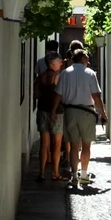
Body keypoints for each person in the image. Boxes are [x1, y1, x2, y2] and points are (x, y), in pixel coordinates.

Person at [52, 48, 108, 186]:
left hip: (70, 111)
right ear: (82, 58)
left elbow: (58, 95)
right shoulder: (90, 73)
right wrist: (103, 113)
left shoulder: (65, 73)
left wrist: (53, 111)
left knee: (74, 145)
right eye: (87, 57)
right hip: (87, 112)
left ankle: (74, 175)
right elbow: (96, 96)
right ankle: (83, 174)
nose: (88, 60)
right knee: (86, 145)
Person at [34, 52, 69, 182]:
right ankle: (55, 173)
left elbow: (36, 95)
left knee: (44, 143)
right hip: (57, 112)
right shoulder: (58, 77)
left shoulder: (40, 77)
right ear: (52, 63)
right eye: (59, 61)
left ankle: (42, 173)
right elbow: (61, 96)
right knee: (57, 144)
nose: (61, 63)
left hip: (42, 110)